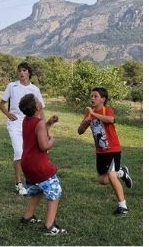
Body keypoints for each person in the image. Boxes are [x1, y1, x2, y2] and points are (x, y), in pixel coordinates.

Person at [76, 87, 133, 216]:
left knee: (111, 175)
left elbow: (111, 120)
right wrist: (85, 123)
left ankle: (123, 207)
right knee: (102, 180)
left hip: (112, 149)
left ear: (103, 99)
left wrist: (94, 114)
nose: (92, 98)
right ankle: (122, 173)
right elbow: (79, 131)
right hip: (100, 151)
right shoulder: (89, 114)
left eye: (95, 96)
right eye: (91, 96)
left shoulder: (106, 110)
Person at [16, 94, 66, 235]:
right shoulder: (39, 123)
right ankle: (50, 227)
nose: (40, 101)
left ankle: (27, 217)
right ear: (37, 107)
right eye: (38, 100)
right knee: (55, 192)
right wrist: (52, 141)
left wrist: (49, 123)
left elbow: (38, 132)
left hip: (27, 165)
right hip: (39, 167)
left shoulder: (27, 120)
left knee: (37, 191)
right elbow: (44, 145)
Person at [0, 62, 45, 195]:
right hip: (15, 123)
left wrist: (44, 127)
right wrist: (8, 114)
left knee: (32, 152)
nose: (21, 73)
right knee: (19, 151)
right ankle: (19, 184)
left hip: (31, 122)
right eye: (19, 70)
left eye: (24, 70)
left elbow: (40, 109)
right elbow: (1, 104)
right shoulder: (11, 86)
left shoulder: (35, 89)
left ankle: (33, 180)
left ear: (29, 73)